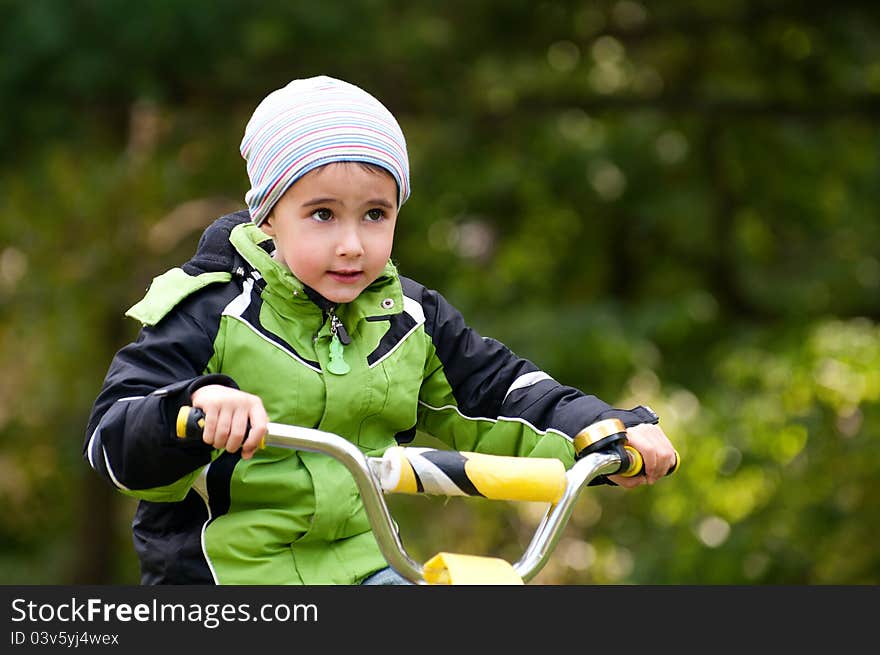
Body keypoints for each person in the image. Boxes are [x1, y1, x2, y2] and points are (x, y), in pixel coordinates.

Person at [84, 75, 677, 585]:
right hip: (220, 580)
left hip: (366, 570)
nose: (351, 244)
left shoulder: (409, 318)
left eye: (375, 214)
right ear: (267, 217)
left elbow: (503, 391)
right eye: (322, 214)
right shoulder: (210, 309)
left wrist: (603, 429)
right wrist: (192, 407)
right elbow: (112, 439)